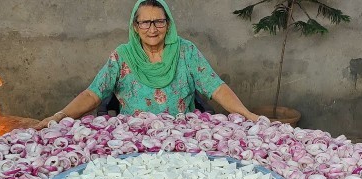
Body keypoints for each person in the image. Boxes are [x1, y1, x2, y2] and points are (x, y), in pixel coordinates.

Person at [35, 0, 260, 129]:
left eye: (159, 21)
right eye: (145, 22)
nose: (152, 29)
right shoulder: (122, 56)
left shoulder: (186, 51)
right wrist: (59, 115)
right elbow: (94, 93)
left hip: (181, 136)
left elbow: (216, 87)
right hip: (132, 139)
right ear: (135, 26)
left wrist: (248, 115)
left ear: (168, 24)